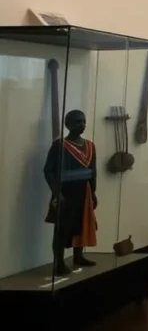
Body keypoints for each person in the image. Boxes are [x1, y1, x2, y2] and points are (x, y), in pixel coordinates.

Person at [43, 110, 98, 276]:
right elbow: (48, 171)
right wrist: (56, 192)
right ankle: (58, 263)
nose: (81, 124)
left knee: (82, 222)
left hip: (85, 190)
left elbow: (93, 170)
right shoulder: (59, 146)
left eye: (83, 121)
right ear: (68, 124)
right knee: (63, 227)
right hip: (66, 191)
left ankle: (78, 255)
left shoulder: (89, 145)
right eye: (77, 121)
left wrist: (93, 191)